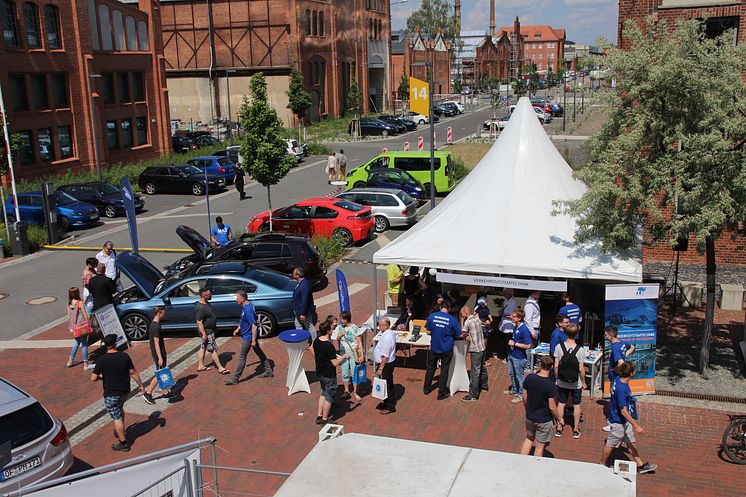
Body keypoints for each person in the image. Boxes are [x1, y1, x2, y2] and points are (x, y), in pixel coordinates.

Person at [91, 334, 145, 452]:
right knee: (120, 409)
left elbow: (93, 378)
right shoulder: (124, 356)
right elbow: (133, 372)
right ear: (115, 344)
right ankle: (121, 429)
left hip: (111, 393)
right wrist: (141, 386)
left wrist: (103, 377)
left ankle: (123, 442)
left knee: (116, 417)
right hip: (124, 391)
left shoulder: (102, 359)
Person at [600, 362, 657, 474]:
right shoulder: (622, 390)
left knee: (630, 442)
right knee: (611, 443)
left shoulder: (617, 379)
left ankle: (640, 465)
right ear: (631, 373)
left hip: (624, 422)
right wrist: (637, 426)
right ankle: (601, 464)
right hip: (618, 422)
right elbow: (623, 411)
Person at [226, 290, 273, 385]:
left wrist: (253, 340)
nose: (236, 300)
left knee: (242, 357)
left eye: (237, 298)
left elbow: (254, 325)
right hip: (247, 335)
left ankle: (235, 378)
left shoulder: (248, 310)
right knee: (259, 353)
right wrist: (238, 329)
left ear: (243, 299)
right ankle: (268, 371)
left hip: (248, 337)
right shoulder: (247, 306)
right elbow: (243, 320)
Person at [521, 356, 561, 457]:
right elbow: (552, 407)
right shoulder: (551, 385)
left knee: (529, 438)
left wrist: (527, 408)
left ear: (540, 365)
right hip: (544, 419)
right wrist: (559, 419)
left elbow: (524, 396)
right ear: (551, 367)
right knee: (539, 446)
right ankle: (536, 467)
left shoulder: (530, 377)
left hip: (530, 415)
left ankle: (520, 461)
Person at [423, 300, 463, 400]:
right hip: (446, 348)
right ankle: (441, 393)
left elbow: (428, 331)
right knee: (444, 369)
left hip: (434, 346)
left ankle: (426, 388)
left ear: (441, 307)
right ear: (449, 309)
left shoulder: (432, 316)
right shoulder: (452, 319)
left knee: (431, 367)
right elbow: (459, 334)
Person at [553, 323, 586, 439]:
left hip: (562, 380)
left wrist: (557, 378)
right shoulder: (580, 350)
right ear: (577, 334)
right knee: (576, 405)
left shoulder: (558, 347)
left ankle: (559, 427)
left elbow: (556, 366)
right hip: (575, 382)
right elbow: (581, 369)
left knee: (561, 403)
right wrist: (583, 382)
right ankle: (576, 429)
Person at [313, 321, 348, 425]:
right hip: (329, 374)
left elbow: (321, 355)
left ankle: (319, 415)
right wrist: (343, 357)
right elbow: (335, 363)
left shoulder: (316, 341)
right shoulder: (328, 346)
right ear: (328, 331)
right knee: (329, 396)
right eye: (331, 329)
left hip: (320, 372)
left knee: (323, 393)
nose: (332, 331)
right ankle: (325, 419)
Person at [603, 325, 636, 431]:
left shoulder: (615, 347)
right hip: (619, 377)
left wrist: (613, 370)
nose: (605, 336)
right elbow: (632, 347)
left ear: (611, 335)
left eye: (606, 334)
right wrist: (625, 355)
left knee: (614, 399)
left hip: (616, 377)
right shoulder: (621, 343)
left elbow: (621, 363)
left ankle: (613, 422)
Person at [143, 306, 175, 404]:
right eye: (163, 313)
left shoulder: (155, 324)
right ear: (159, 313)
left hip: (159, 352)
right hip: (158, 354)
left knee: (162, 373)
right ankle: (148, 393)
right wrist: (160, 357)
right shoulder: (155, 327)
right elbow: (156, 343)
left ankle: (165, 392)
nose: (164, 315)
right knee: (160, 374)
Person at [195, 287, 230, 374]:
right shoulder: (201, 307)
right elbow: (199, 322)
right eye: (209, 294)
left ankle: (200, 365)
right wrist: (204, 334)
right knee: (213, 349)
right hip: (207, 331)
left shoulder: (206, 303)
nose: (211, 295)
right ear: (204, 296)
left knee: (203, 347)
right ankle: (220, 367)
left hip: (209, 330)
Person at [331, 311, 364, 401]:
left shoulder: (354, 328)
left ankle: (356, 392)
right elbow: (337, 338)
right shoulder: (340, 327)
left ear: (346, 319)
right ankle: (346, 390)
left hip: (353, 353)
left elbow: (359, 342)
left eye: (341, 319)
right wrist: (340, 334)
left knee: (354, 372)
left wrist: (362, 355)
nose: (340, 321)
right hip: (343, 352)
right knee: (344, 372)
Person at [461, 305, 488, 402]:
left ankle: (473, 394)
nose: (461, 315)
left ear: (465, 313)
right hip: (482, 346)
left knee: (474, 372)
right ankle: (484, 386)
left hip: (476, 349)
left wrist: (461, 322)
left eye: (462, 314)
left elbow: (462, 333)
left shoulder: (467, 321)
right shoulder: (477, 318)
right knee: (482, 367)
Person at [506, 309, 533, 404]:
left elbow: (529, 345)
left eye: (513, 316)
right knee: (512, 374)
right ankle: (514, 390)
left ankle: (521, 395)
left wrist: (515, 344)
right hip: (512, 355)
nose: (511, 317)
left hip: (519, 357)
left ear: (519, 318)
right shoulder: (516, 327)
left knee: (520, 377)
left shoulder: (524, 330)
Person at [374, 317, 397, 415]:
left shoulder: (387, 337)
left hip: (386, 364)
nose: (378, 327)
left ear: (386, 326)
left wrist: (380, 368)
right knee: (388, 382)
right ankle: (388, 401)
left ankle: (390, 406)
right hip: (388, 363)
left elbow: (385, 356)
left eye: (380, 325)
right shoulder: (387, 333)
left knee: (386, 385)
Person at [66, 287, 94, 370]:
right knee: (84, 343)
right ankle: (86, 364)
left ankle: (70, 360)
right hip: (81, 325)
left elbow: (68, 316)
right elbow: (85, 314)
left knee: (77, 341)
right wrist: (89, 322)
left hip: (74, 326)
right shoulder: (80, 302)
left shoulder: (69, 303)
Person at [292, 267, 317, 341]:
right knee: (298, 324)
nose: (292, 274)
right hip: (298, 310)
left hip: (303, 311)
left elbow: (305, 300)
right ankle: (301, 340)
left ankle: (314, 340)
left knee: (308, 325)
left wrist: (303, 313)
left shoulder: (304, 285)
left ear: (298, 275)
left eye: (294, 273)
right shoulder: (302, 283)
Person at [498, 288, 518, 361]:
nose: (503, 295)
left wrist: (502, 314)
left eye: (505, 293)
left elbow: (511, 315)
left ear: (509, 293)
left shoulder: (513, 302)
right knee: (502, 340)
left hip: (509, 325)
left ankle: (508, 358)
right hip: (503, 324)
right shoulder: (506, 300)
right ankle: (502, 355)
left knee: (507, 342)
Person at [549, 314, 570, 380]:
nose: (569, 324)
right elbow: (553, 352)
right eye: (566, 322)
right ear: (560, 323)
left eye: (569, 322)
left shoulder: (565, 331)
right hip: (558, 364)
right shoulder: (556, 335)